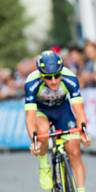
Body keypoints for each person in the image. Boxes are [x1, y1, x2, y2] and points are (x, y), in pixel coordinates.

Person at [24, 50, 90, 192]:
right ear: (41, 75)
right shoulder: (31, 82)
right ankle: (44, 165)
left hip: (62, 110)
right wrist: (34, 142)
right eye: (48, 77)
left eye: (57, 75)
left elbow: (79, 109)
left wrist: (84, 132)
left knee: (75, 152)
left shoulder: (70, 77)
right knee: (42, 129)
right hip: (42, 111)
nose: (54, 80)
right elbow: (30, 116)